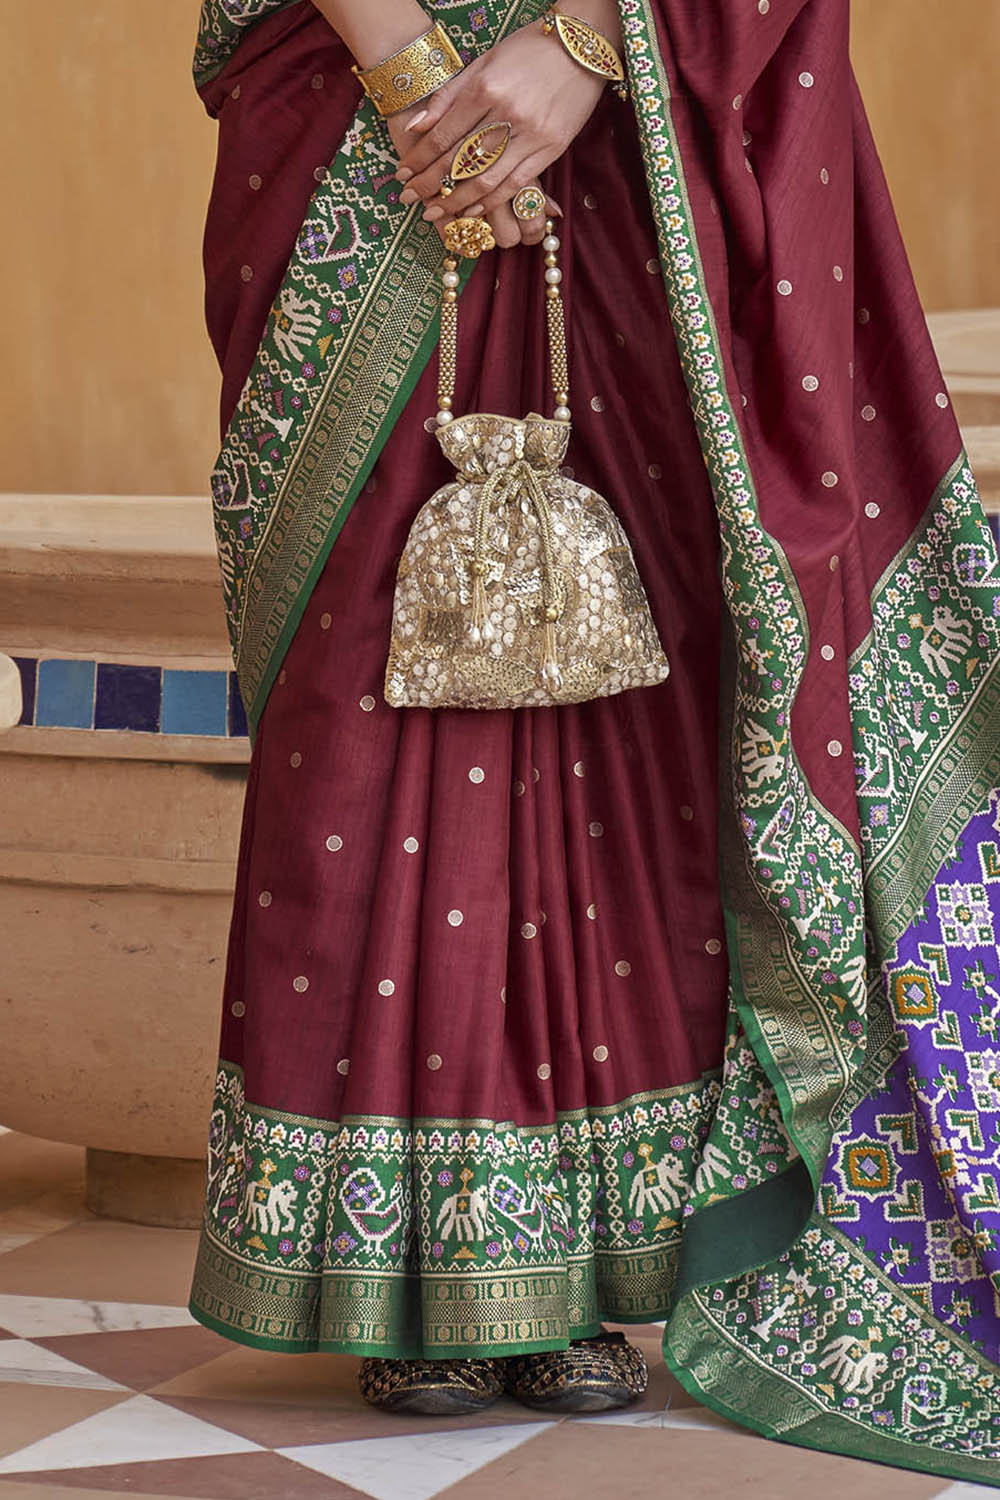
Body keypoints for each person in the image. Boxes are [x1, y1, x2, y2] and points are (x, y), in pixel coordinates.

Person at [189, 0, 1000, 1478]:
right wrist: (417, 78)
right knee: (386, 666)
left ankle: (588, 1256)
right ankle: (413, 1257)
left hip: (639, 134)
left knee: (624, 699)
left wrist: (580, 46)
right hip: (370, 119)